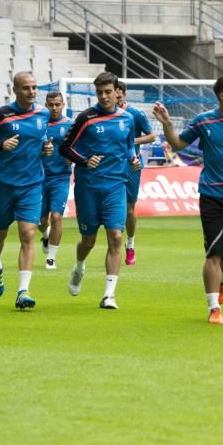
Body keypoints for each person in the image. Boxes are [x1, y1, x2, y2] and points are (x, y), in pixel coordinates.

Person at [153, 75, 223, 325]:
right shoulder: (204, 120)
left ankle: (222, 280)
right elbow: (178, 144)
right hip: (211, 195)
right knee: (213, 252)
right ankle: (214, 308)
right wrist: (168, 123)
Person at [58, 72, 140, 310]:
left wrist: (133, 159)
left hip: (116, 186)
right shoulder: (85, 118)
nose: (104, 97)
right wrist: (83, 161)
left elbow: (128, 147)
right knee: (89, 240)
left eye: (108, 92)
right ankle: (79, 266)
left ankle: (109, 295)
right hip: (88, 187)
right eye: (99, 93)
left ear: (117, 92)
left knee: (115, 237)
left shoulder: (128, 119)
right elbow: (65, 147)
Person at [0, 71, 52, 310]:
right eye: (26, 88)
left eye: (34, 87)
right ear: (15, 90)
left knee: (28, 234)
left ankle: (23, 291)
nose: (32, 92)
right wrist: (1, 144)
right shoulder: (1, 115)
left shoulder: (43, 113)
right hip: (4, 184)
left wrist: (46, 149)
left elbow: (43, 139)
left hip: (32, 184)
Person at [116, 80, 157, 266]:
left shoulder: (135, 114)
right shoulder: (102, 115)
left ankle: (130, 244)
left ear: (123, 94)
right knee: (114, 206)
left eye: (117, 96)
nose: (113, 99)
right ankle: (114, 244)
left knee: (130, 208)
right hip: (111, 166)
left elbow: (152, 135)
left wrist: (132, 140)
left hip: (132, 164)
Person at [39, 91, 72, 270]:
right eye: (51, 105)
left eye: (57, 104)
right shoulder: (39, 124)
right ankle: (45, 234)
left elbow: (77, 148)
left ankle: (51, 258)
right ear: (46, 105)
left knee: (57, 216)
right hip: (38, 177)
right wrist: (43, 151)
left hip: (61, 177)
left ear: (63, 104)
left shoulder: (70, 125)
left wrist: (71, 158)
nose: (54, 108)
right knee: (40, 221)